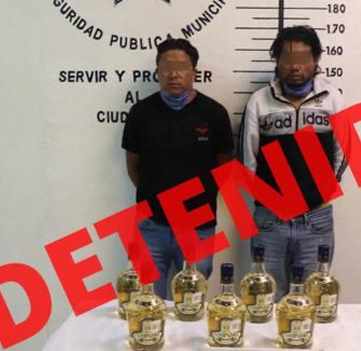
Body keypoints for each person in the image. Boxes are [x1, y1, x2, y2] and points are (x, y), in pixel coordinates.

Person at [239, 25, 347, 300]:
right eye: (288, 59)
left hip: (317, 219)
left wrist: (323, 189)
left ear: (316, 60)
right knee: (266, 298)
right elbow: (248, 158)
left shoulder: (333, 99)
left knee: (313, 298)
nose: (295, 67)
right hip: (270, 219)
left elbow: (344, 151)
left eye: (303, 59)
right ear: (277, 61)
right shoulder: (260, 101)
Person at [122, 38, 234, 299]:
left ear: (194, 72)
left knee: (190, 305)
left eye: (182, 68)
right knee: (146, 303)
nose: (174, 74)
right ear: (158, 72)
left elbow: (225, 168)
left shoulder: (214, 113)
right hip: (151, 226)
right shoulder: (140, 113)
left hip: (198, 226)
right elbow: (133, 166)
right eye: (166, 68)